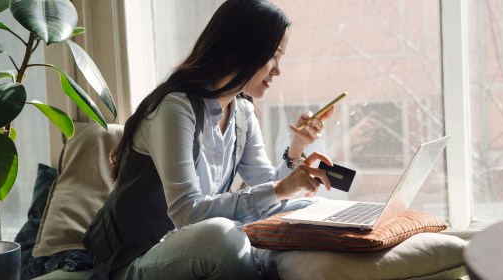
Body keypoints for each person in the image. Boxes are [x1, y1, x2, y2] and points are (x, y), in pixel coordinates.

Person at [82, 0, 335, 279]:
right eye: (274, 55)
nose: (277, 70)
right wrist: (279, 189)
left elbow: (266, 190)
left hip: (193, 248)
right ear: (241, 48)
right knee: (223, 238)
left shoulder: (242, 112)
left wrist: (296, 149)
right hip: (134, 257)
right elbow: (187, 213)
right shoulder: (175, 108)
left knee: (313, 210)